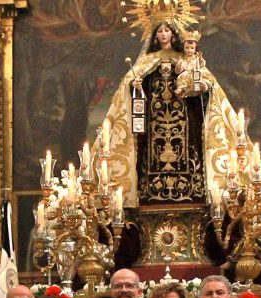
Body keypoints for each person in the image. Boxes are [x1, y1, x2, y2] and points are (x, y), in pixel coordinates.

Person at [97, 19, 244, 208]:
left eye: (167, 30)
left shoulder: (184, 59)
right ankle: (150, 190)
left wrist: (197, 85)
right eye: (160, 31)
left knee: (187, 149)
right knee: (152, 152)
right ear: (155, 37)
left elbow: (207, 85)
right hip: (155, 119)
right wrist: (136, 86)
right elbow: (132, 86)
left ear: (173, 35)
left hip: (184, 118)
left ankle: (192, 188)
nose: (164, 34)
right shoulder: (147, 61)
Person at [174, 32, 210, 98]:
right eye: (187, 48)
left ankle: (191, 89)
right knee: (182, 80)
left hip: (195, 74)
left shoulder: (196, 57)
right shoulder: (182, 59)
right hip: (186, 76)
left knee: (199, 82)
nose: (189, 50)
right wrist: (178, 66)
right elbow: (179, 71)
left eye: (192, 48)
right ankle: (183, 89)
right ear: (183, 48)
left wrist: (200, 59)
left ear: (195, 49)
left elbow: (201, 64)